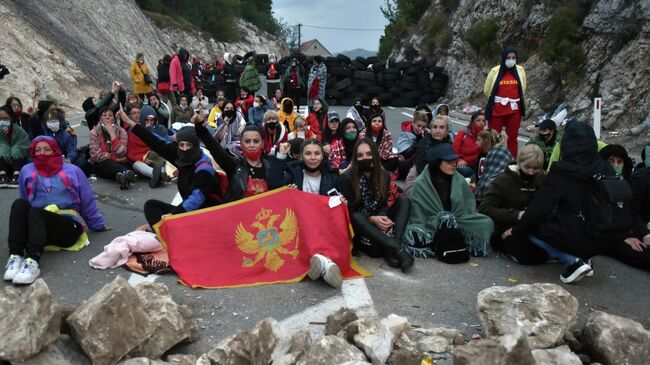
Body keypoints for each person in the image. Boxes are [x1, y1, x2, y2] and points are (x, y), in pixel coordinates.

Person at [507, 121, 650, 282]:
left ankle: (572, 262)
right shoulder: (604, 167)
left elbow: (539, 209)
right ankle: (585, 259)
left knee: (535, 226)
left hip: (579, 238)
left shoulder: (562, 171)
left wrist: (517, 229)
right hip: (606, 237)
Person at [3, 136, 108, 284]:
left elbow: (87, 201)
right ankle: (15, 255)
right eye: (38, 150)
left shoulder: (73, 171)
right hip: (39, 225)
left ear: (55, 150)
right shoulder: (27, 171)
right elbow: (25, 200)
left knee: (36, 211)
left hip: (68, 226)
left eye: (47, 149)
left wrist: (98, 225)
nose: (42, 153)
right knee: (19, 204)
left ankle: (32, 260)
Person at [119, 110, 226, 228]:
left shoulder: (204, 168)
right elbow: (155, 142)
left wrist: (173, 215)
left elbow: (196, 199)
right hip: (188, 212)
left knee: (164, 222)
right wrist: (130, 122)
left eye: (189, 145)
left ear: (195, 145)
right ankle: (168, 232)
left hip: (206, 215)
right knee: (151, 206)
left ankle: (172, 233)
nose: (185, 148)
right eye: (182, 144)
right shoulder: (180, 155)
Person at [404, 143, 494, 259]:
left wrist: (451, 218)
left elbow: (467, 208)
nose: (453, 164)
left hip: (457, 219)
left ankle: (454, 239)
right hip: (431, 222)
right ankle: (450, 239)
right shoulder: (421, 183)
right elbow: (418, 215)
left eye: (454, 160)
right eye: (448, 161)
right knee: (414, 233)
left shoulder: (459, 179)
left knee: (486, 223)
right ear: (437, 162)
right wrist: (441, 218)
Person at [338, 138, 414, 272]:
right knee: (356, 217)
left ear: (374, 155)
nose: (365, 158)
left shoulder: (383, 174)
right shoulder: (347, 178)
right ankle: (396, 248)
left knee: (404, 201)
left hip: (377, 217)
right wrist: (372, 219)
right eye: (360, 155)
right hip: (360, 226)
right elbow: (349, 213)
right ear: (355, 158)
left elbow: (384, 203)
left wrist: (382, 218)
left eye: (368, 154)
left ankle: (394, 245)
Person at [479, 144, 548, 264]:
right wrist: (516, 215)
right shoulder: (502, 181)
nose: (531, 172)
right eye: (527, 167)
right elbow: (485, 208)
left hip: (533, 225)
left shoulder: (542, 178)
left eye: (535, 168)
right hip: (506, 226)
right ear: (519, 162)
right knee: (532, 256)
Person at [197, 123, 281, 200]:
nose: (252, 145)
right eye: (247, 141)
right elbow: (215, 149)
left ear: (262, 143)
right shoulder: (234, 165)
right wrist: (201, 128)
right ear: (241, 144)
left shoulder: (271, 166)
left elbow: (279, 192)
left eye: (256, 141)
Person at [484, 46, 527, 158]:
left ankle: (512, 162)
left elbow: (523, 88)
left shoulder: (520, 71)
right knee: (494, 137)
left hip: (514, 110)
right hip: (497, 110)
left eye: (513, 57)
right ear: (504, 58)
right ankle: (492, 159)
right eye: (509, 57)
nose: (511, 60)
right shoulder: (494, 71)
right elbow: (487, 90)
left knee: (512, 138)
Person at [122, 105, 168, 188]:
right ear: (129, 115)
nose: (136, 115)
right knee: (137, 165)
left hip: (152, 154)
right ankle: (156, 174)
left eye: (138, 113)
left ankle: (161, 173)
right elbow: (132, 150)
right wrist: (142, 158)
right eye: (134, 113)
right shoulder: (127, 128)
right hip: (138, 159)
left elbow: (160, 141)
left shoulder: (151, 127)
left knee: (161, 157)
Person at [89, 107, 135, 189]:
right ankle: (125, 173)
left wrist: (112, 135)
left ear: (114, 118)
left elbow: (122, 152)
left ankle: (122, 177)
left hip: (119, 162)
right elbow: (95, 155)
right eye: (104, 115)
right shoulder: (94, 132)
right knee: (105, 163)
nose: (107, 117)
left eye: (110, 115)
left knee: (125, 164)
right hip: (102, 163)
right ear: (100, 118)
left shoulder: (121, 131)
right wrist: (114, 158)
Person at [473, 129, 513, 201]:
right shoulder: (483, 153)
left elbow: (484, 180)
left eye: (478, 140)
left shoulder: (495, 154)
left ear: (485, 141)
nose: (476, 142)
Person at [0, 106, 30, 188]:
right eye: (0, 119)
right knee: (2, 148)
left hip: (17, 159)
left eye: (5, 118)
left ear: (11, 118)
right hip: (2, 158)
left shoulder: (19, 130)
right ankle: (2, 175)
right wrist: (4, 147)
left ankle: (17, 175)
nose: (2, 121)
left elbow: (26, 144)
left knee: (17, 149)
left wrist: (17, 148)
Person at [396, 110, 429, 179]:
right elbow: (406, 153)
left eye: (423, 127)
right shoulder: (405, 134)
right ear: (413, 123)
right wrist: (419, 140)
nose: (420, 129)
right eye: (418, 126)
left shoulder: (426, 133)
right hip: (406, 162)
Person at [452, 112, 485, 178]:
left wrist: (466, 160)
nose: (481, 123)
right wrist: (459, 160)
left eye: (483, 121)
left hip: (476, 164)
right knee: (465, 170)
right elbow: (454, 150)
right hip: (461, 163)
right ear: (472, 122)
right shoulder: (463, 133)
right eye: (478, 120)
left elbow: (482, 154)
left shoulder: (485, 136)